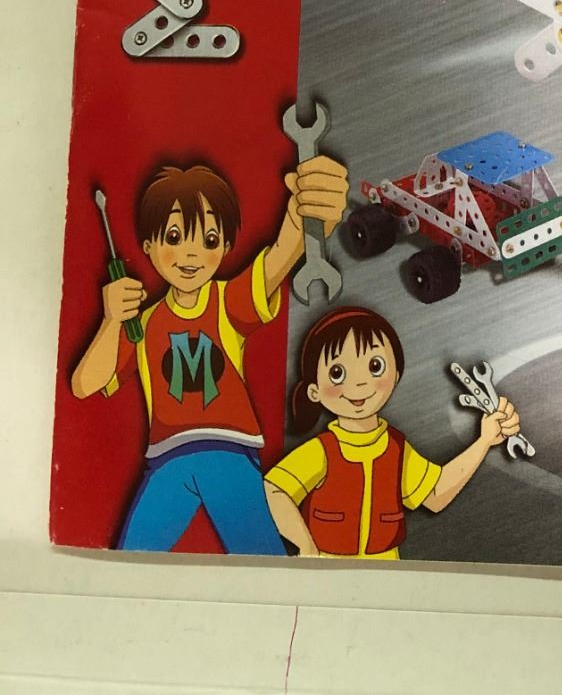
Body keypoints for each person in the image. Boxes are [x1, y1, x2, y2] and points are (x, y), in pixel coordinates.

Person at [70, 154, 349, 553]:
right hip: (167, 460)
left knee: (263, 563)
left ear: (225, 246)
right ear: (148, 245)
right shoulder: (141, 325)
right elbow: (84, 385)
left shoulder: (227, 302)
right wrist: (111, 319)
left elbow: (279, 258)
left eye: (209, 240)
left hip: (227, 451)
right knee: (131, 561)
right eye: (174, 237)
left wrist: (302, 214)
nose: (191, 254)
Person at [264, 307, 519, 559]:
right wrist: (306, 546)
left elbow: (435, 495)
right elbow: (273, 490)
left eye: (375, 366)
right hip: (330, 571)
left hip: (386, 571)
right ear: (314, 391)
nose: (359, 383)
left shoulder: (396, 450)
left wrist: (484, 440)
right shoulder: (322, 452)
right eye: (337, 373)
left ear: (395, 375)